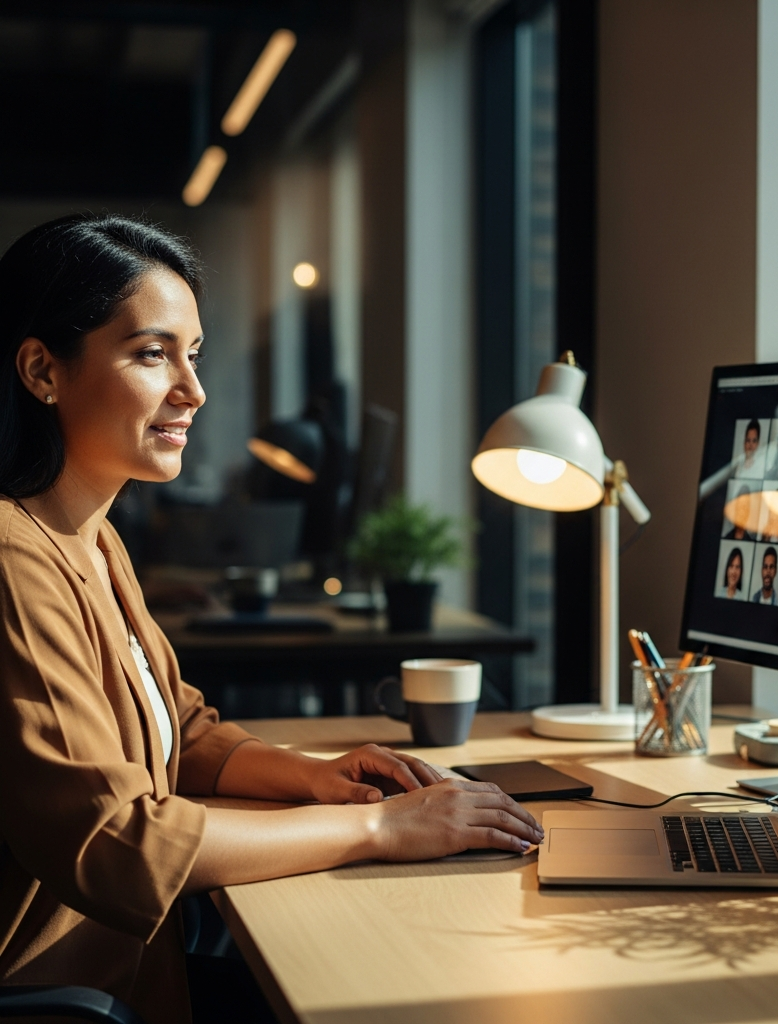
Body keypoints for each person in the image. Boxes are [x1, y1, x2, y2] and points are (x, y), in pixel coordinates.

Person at [0, 216, 543, 1024]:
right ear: (44, 370)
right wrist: (380, 830)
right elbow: (120, 842)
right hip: (70, 1001)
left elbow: (174, 728)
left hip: (136, 978)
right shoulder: (14, 558)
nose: (193, 390)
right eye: (153, 354)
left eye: (194, 354)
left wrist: (313, 777)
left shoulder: (92, 537)